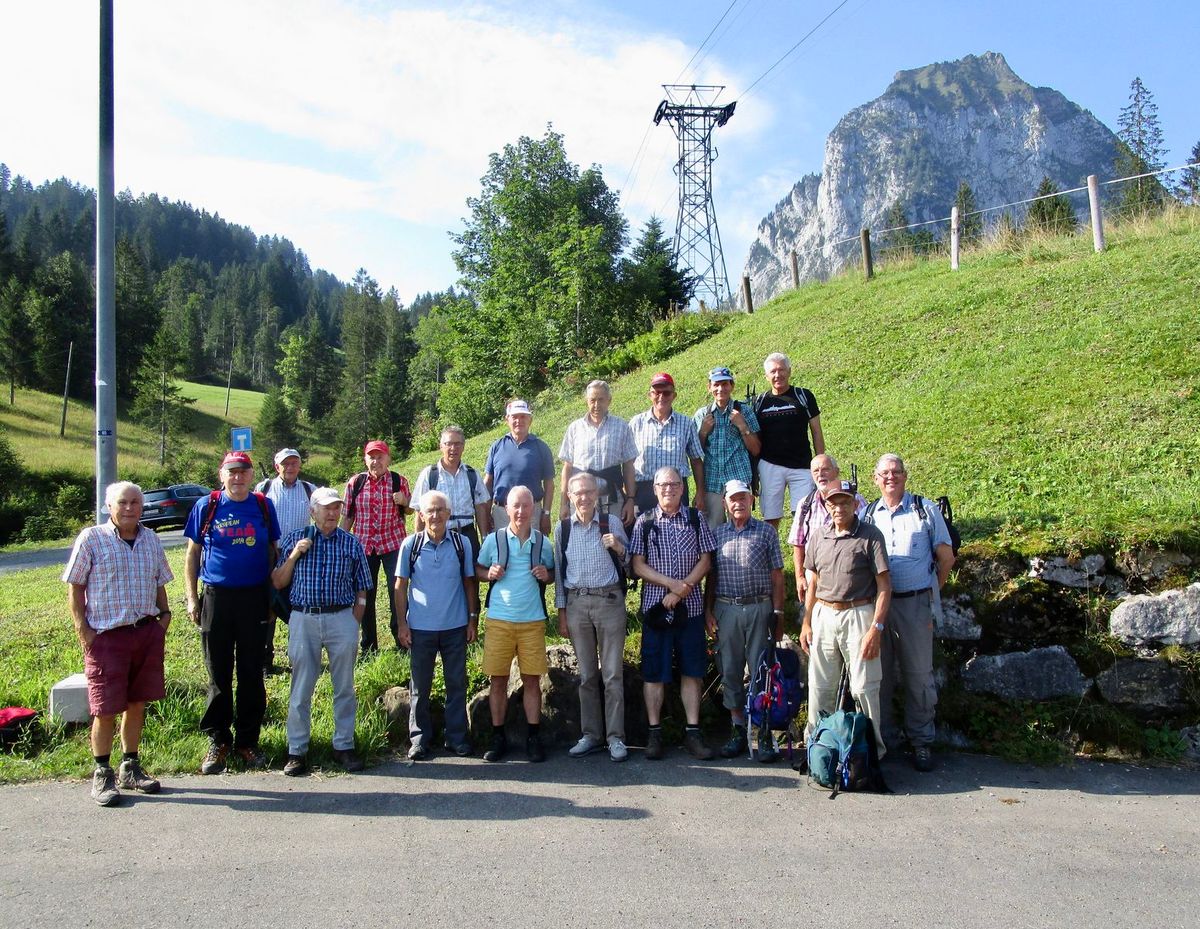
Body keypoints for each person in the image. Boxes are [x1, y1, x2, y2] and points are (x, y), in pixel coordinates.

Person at [63, 481, 173, 806]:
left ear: (142, 507)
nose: (129, 508)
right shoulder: (92, 539)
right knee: (106, 708)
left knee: (137, 703)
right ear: (109, 507)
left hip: (144, 633)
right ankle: (102, 772)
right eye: (122, 503)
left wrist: (163, 619)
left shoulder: (151, 539)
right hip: (107, 637)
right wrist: (84, 630)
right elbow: (75, 586)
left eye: (135, 503)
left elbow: (160, 582)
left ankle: (131, 766)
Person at [184, 451, 281, 774]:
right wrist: (191, 598)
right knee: (218, 673)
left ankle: (247, 742)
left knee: (252, 673)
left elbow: (272, 552)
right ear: (221, 475)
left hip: (254, 598)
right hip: (216, 598)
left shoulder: (264, 506)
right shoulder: (207, 506)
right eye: (232, 472)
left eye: (243, 472)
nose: (238, 477)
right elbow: (193, 553)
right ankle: (219, 741)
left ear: (251, 475)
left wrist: (271, 598)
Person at [861, 453, 955, 772]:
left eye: (896, 471)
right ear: (875, 479)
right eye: (884, 473)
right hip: (879, 606)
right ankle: (883, 740)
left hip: (915, 604)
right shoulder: (868, 514)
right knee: (880, 675)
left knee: (918, 675)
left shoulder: (925, 510)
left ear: (905, 476)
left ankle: (921, 742)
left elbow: (946, 558)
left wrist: (929, 592)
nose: (891, 477)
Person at [272, 487, 372, 776]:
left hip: (341, 618)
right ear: (312, 511)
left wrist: (355, 619)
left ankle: (344, 745)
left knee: (344, 686)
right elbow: (277, 582)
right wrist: (293, 555)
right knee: (301, 687)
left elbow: (363, 585)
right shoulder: (295, 539)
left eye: (336, 507)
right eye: (326, 508)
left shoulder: (351, 543)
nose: (332, 513)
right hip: (304, 618)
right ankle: (297, 750)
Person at [629, 466, 717, 761]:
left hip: (690, 612)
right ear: (654, 489)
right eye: (663, 485)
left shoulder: (696, 518)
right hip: (656, 611)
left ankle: (693, 732)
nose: (669, 489)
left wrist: (684, 588)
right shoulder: (645, 521)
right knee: (654, 674)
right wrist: (671, 585)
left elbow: (707, 559)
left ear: (683, 488)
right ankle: (655, 734)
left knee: (692, 672)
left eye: (674, 484)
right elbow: (637, 565)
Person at [799, 480, 890, 759]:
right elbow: (812, 583)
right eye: (834, 502)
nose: (839, 508)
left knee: (864, 686)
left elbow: (885, 586)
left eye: (845, 502)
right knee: (819, 686)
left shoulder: (871, 536)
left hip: (859, 613)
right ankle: (817, 747)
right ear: (827, 505)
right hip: (824, 614)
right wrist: (806, 621)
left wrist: (876, 628)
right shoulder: (818, 536)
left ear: (855, 503)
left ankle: (871, 752)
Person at [395, 490, 480, 760]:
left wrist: (472, 619)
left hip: (455, 626)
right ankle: (419, 740)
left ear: (449, 513)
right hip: (420, 628)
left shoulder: (461, 543)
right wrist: (401, 624)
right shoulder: (411, 545)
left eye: (440, 510)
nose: (435, 515)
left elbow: (469, 582)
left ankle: (456, 738)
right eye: (429, 510)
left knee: (456, 684)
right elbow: (400, 586)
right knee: (420, 687)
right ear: (421, 514)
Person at [705, 480, 786, 760]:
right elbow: (711, 577)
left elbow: (777, 575)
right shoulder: (717, 535)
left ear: (752, 500)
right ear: (725, 504)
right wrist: (708, 611)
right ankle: (738, 729)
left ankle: (763, 732)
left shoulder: (766, 532)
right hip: (727, 608)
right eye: (733, 499)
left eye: (743, 498)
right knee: (729, 670)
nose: (738, 503)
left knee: (762, 671)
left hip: (759, 608)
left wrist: (778, 613)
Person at [476, 485, 555, 763]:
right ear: (506, 509)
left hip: (532, 620)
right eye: (515, 506)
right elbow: (477, 570)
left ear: (533, 508)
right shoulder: (494, 540)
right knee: (497, 681)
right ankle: (498, 738)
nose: (521, 511)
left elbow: (553, 574)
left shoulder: (542, 542)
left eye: (526, 505)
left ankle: (533, 738)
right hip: (499, 620)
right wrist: (489, 574)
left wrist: (547, 574)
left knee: (532, 681)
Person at [555, 472, 629, 763]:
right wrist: (562, 613)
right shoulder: (563, 529)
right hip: (577, 605)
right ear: (570, 497)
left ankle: (616, 738)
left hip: (609, 601)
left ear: (596, 495)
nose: (584, 497)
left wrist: (619, 547)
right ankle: (591, 735)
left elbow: (630, 562)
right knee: (586, 676)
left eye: (588, 492)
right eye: (578, 493)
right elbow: (560, 575)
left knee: (612, 675)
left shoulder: (611, 523)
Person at [341, 440, 410, 654]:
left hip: (393, 544)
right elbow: (347, 516)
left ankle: (402, 638)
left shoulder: (399, 481)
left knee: (396, 591)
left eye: (380, 457)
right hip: (363, 547)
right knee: (365, 595)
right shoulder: (355, 483)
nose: (375, 461)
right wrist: (342, 545)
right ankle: (368, 646)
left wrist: (404, 502)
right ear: (365, 459)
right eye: (371, 457)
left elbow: (410, 511)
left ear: (388, 459)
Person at [255, 447, 315, 667]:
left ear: (299, 466)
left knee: (296, 606)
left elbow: (320, 517)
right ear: (276, 466)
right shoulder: (264, 488)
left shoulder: (310, 490)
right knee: (268, 605)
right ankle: (265, 659)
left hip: (301, 555)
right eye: (285, 463)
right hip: (271, 554)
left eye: (294, 463)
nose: (290, 467)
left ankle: (297, 657)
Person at [754, 353, 824, 528]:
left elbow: (816, 431)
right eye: (773, 371)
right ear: (766, 376)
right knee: (770, 519)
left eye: (781, 370)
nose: (778, 375)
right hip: (769, 465)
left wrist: (820, 462)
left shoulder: (804, 396)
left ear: (789, 371)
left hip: (801, 466)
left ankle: (803, 556)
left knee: (804, 517)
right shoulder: (759, 401)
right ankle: (771, 555)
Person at [787, 454, 867, 605]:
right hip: (815, 578)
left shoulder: (856, 501)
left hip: (850, 576)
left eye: (825, 469)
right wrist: (799, 577)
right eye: (816, 471)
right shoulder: (805, 505)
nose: (820, 474)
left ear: (836, 472)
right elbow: (798, 543)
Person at [558, 379, 637, 528]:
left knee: (615, 542)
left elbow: (628, 466)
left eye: (601, 400)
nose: (596, 405)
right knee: (584, 542)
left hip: (613, 497)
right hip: (582, 499)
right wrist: (564, 503)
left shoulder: (622, 427)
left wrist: (631, 500)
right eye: (592, 400)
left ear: (609, 400)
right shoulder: (574, 428)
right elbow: (567, 468)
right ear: (587, 401)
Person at [628, 372, 705, 515]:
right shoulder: (636, 423)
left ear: (674, 396)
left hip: (675, 490)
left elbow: (696, 461)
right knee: (644, 533)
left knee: (676, 532)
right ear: (650, 395)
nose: (661, 397)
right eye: (657, 392)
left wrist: (700, 492)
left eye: (667, 393)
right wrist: (629, 497)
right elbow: (628, 463)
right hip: (644, 490)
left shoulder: (686, 423)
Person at [694, 366, 760, 527]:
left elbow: (756, 449)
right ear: (709, 387)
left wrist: (743, 426)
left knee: (740, 525)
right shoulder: (702, 415)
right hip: (712, 482)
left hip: (738, 477)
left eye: (725, 384)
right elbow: (695, 453)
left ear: (732, 386)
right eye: (716, 385)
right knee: (712, 530)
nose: (720, 389)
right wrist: (702, 432)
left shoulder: (744, 411)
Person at [412, 425, 492, 554]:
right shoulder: (429, 475)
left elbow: (480, 507)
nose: (453, 448)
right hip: (438, 536)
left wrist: (484, 537)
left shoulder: (472, 474)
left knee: (470, 574)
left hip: (468, 536)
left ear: (463, 447)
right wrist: (418, 542)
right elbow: (418, 510)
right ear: (441, 446)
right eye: (448, 444)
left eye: (458, 444)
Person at [484, 399, 555, 536]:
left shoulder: (541, 447)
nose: (519, 421)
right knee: (503, 555)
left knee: (530, 554)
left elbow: (549, 485)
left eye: (523, 416)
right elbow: (488, 483)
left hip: (531, 512)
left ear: (530, 419)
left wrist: (546, 514)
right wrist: (486, 514)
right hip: (501, 513)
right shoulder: (497, 447)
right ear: (507, 419)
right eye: (514, 417)